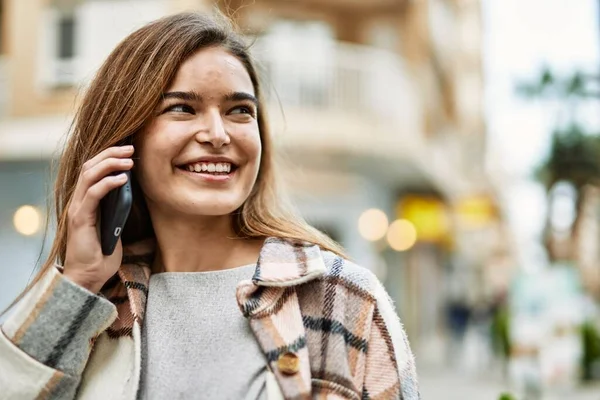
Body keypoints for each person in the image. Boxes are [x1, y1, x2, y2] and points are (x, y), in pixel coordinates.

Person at [0, 12, 419, 400]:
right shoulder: (95, 304)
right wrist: (78, 284)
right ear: (124, 141)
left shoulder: (339, 297)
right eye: (182, 108)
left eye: (240, 110)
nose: (218, 134)